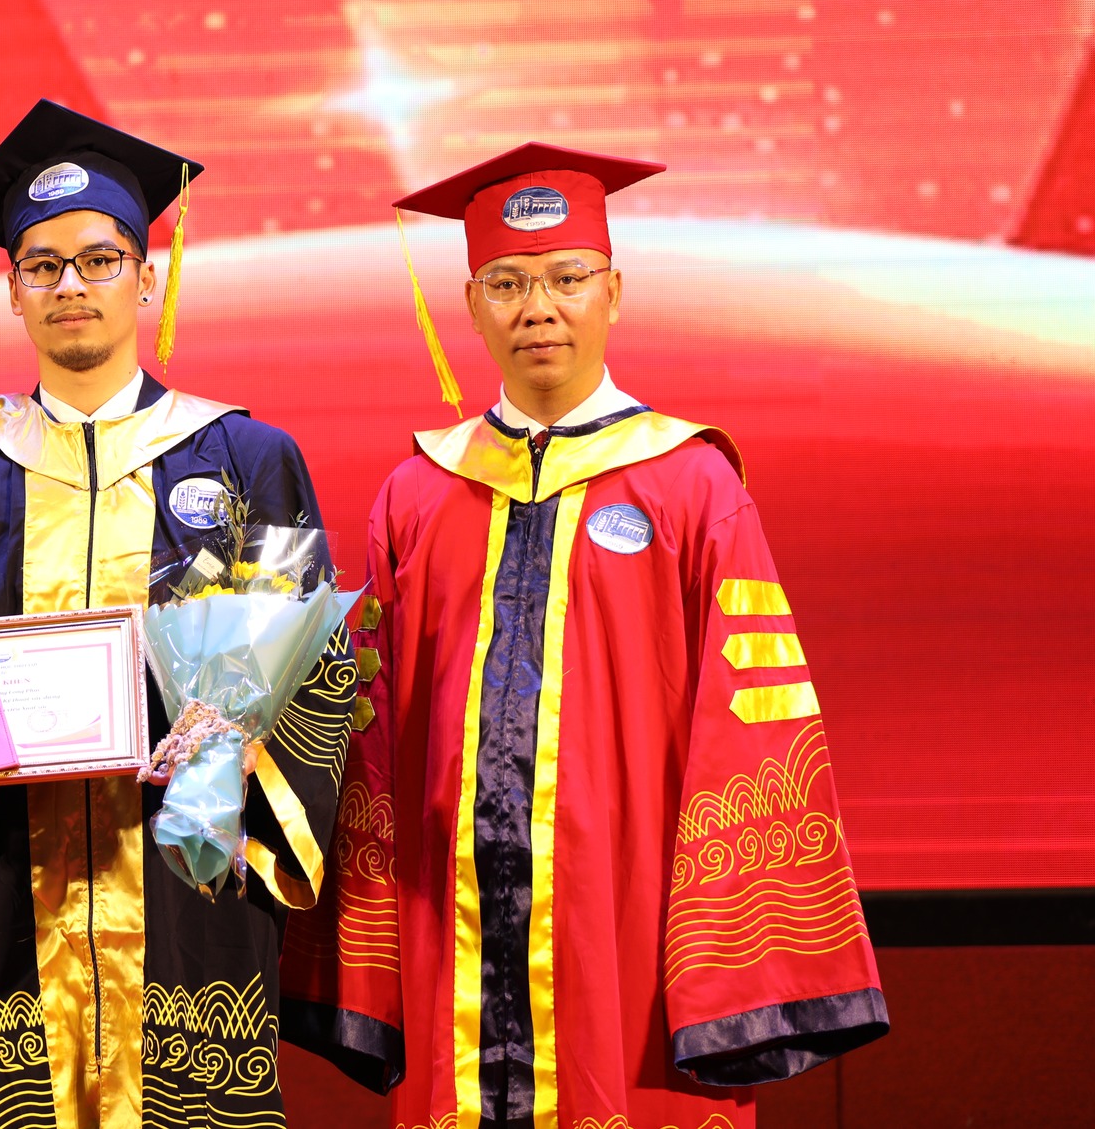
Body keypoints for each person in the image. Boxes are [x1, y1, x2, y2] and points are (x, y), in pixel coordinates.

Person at [281, 144, 887, 1128]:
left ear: (613, 291)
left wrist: (722, 957)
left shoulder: (691, 484)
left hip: (632, 943)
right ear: (470, 302)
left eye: (566, 278)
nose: (538, 308)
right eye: (507, 283)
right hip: (451, 947)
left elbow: (751, 725)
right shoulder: (417, 495)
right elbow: (372, 733)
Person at [0, 100, 357, 1129]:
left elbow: (321, 681)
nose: (70, 286)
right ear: (11, 290)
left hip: (191, 904)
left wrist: (237, 750)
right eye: (42, 266)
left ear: (146, 277)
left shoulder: (248, 459)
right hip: (11, 905)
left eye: (98, 260)